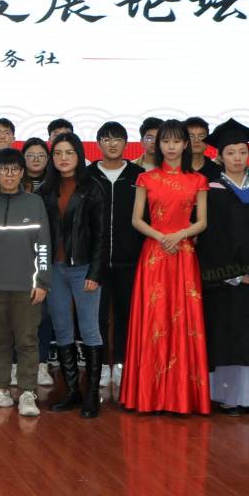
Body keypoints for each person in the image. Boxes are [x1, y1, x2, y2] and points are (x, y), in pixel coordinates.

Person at [119, 119, 210, 415]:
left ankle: (181, 397)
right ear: (158, 145)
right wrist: (162, 237)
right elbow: (136, 219)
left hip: (184, 254)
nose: (171, 147)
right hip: (154, 255)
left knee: (184, 323)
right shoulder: (146, 178)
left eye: (176, 141)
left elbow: (202, 222)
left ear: (186, 144)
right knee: (154, 320)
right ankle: (149, 396)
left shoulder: (198, 180)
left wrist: (179, 235)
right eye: (165, 141)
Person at [199, 119, 249, 416]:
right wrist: (233, 273)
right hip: (225, 281)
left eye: (242, 152)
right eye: (231, 152)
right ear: (220, 156)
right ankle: (228, 397)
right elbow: (211, 238)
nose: (237, 158)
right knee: (227, 335)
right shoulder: (211, 192)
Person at [0, 148, 51, 416]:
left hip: (27, 287)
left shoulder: (34, 203)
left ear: (22, 172)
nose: (9, 174)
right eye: (3, 169)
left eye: (14, 169)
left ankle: (27, 393)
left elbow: (43, 246)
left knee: (27, 341)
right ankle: (1, 390)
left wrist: (42, 281)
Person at [39, 132, 107, 418]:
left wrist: (96, 272)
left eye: (69, 153)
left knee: (89, 329)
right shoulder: (45, 190)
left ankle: (91, 395)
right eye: (57, 153)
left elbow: (102, 235)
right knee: (62, 328)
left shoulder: (92, 188)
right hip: (55, 270)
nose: (63, 158)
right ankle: (71, 392)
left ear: (79, 155)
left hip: (84, 269)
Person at [84, 122, 144, 390]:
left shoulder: (138, 176)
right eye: (106, 139)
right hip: (94, 262)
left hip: (130, 260)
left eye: (118, 139)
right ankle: (99, 367)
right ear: (98, 143)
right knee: (96, 317)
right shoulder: (87, 176)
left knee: (125, 315)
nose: (112, 144)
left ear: (126, 143)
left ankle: (120, 364)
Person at [20, 136, 54, 386]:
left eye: (41, 155)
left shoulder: (54, 185)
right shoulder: (13, 183)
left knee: (44, 313)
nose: (35, 160)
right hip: (17, 258)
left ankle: (41, 364)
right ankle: (15, 364)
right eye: (30, 155)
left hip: (46, 255)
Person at [185, 117, 218, 181]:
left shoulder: (218, 172)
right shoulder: (175, 169)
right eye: (191, 136)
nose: (196, 140)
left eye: (201, 136)